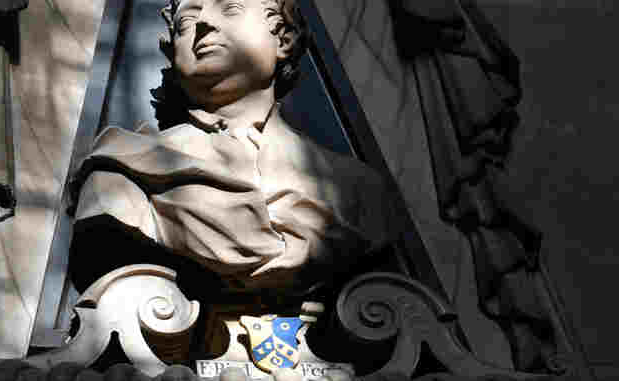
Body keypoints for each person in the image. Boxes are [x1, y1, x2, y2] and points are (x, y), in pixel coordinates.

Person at [68, 0, 394, 358]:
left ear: (283, 38)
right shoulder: (119, 174)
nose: (204, 22)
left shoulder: (358, 190)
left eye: (230, 8)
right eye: (186, 20)